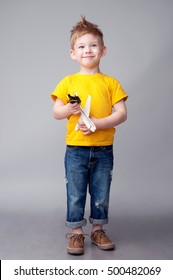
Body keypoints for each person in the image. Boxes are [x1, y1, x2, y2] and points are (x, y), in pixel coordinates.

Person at [51, 16, 128, 255]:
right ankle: (76, 233)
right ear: (72, 53)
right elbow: (56, 112)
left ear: (103, 51)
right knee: (75, 193)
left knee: (101, 191)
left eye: (93, 45)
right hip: (76, 149)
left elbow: (122, 114)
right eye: (81, 46)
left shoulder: (111, 83)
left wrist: (97, 123)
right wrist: (69, 109)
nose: (87, 50)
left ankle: (97, 230)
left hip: (103, 149)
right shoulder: (68, 82)